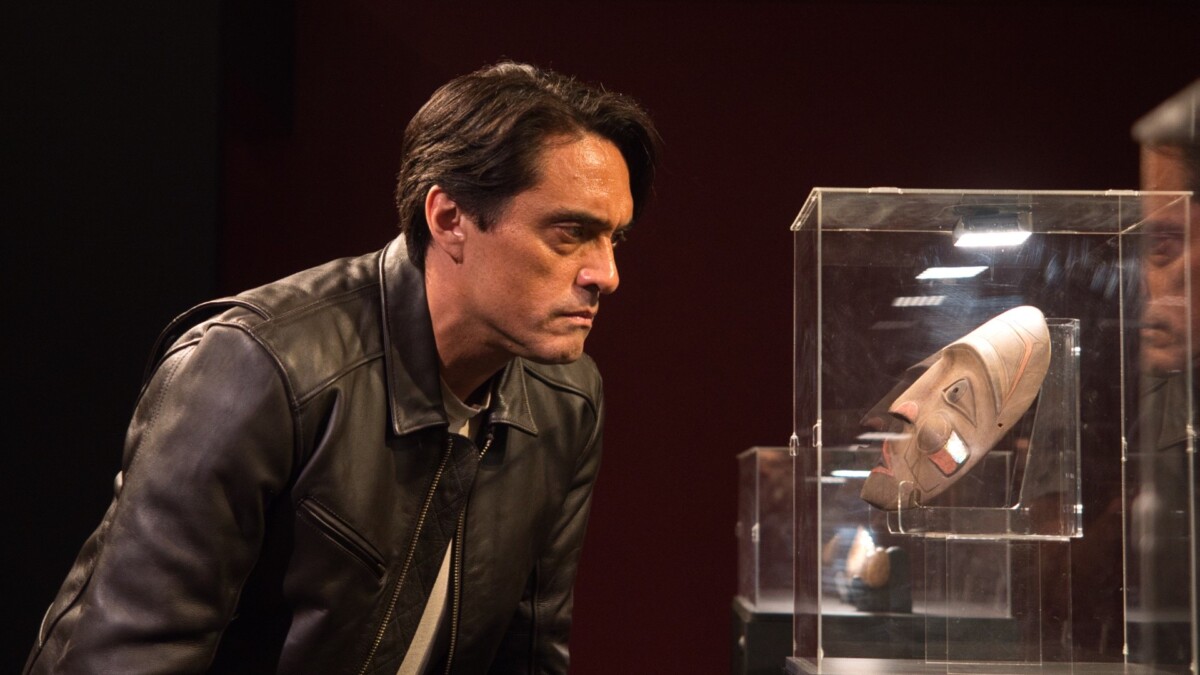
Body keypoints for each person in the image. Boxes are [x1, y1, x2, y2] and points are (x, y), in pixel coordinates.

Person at [24, 61, 660, 674]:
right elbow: (129, 656)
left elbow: (529, 655)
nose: (606, 274)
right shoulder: (258, 365)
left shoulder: (567, 397)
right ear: (449, 219)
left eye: (614, 238)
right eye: (569, 233)